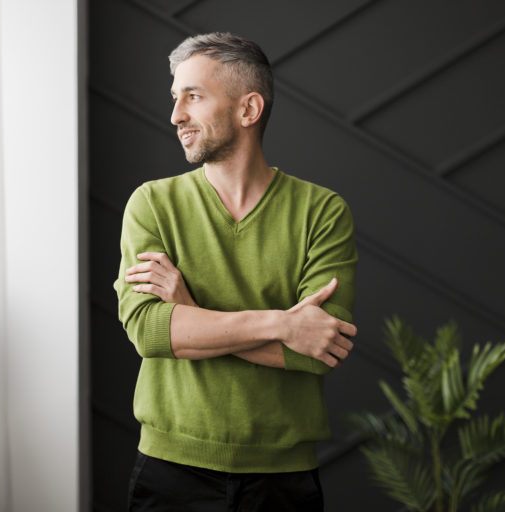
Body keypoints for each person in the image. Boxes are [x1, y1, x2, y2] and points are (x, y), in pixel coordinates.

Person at [113, 32, 358, 511]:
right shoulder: (152, 204)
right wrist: (284, 323)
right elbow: (149, 331)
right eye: (175, 97)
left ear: (249, 110)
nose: (175, 115)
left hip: (282, 479)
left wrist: (188, 312)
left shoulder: (322, 211)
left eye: (194, 96)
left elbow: (318, 349)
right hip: (170, 470)